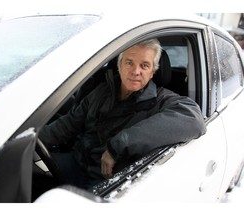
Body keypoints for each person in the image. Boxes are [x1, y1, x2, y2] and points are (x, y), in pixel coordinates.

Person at [38, 39, 207, 191]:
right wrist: (33, 141)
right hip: (77, 162)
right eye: (129, 62)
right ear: (119, 66)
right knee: (26, 170)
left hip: (108, 181)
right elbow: (67, 125)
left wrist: (117, 146)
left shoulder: (161, 100)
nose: (136, 71)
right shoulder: (101, 91)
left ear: (152, 72)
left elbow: (194, 119)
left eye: (144, 66)